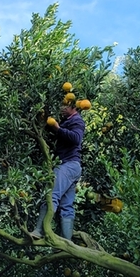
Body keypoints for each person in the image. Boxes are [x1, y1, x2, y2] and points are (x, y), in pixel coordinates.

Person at [30, 102, 85, 240]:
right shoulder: (66, 120)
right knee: (66, 206)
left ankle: (39, 231)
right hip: (73, 166)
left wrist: (57, 128)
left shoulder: (77, 120)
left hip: (68, 164)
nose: (61, 108)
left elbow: (76, 138)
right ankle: (67, 242)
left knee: (50, 194)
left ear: (74, 107)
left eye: (65, 106)